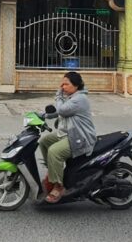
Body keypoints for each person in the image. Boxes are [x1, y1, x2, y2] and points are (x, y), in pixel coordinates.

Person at [38, 71, 96, 203]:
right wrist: (41, 115)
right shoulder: (70, 96)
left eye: (66, 84)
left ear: (76, 85)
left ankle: (59, 186)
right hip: (67, 134)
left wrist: (58, 95)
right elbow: (58, 112)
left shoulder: (79, 99)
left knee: (54, 152)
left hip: (80, 138)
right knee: (44, 142)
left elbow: (62, 110)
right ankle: (53, 174)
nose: (62, 86)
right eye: (62, 84)